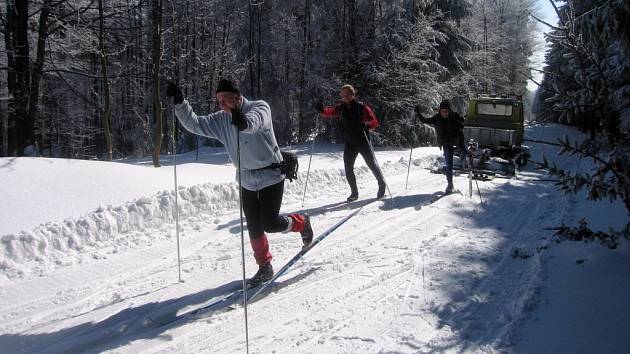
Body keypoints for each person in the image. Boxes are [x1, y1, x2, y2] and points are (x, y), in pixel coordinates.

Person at [166, 79, 313, 288]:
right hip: (245, 179)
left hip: (270, 176)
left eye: (225, 99)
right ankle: (265, 267)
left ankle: (302, 223)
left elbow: (252, 124)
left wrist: (238, 118)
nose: (221, 104)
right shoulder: (221, 119)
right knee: (254, 226)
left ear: (237, 96)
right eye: (218, 100)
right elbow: (195, 124)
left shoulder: (259, 107)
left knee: (269, 224)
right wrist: (181, 103)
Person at [316, 84, 386, 202]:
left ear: (353, 95)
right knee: (348, 168)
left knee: (371, 164)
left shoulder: (361, 107)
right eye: (343, 95)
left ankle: (381, 184)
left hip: (363, 141)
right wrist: (322, 110)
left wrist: (366, 125)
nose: (346, 97)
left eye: (348, 95)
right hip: (350, 142)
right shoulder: (341, 108)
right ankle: (354, 193)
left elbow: (375, 122)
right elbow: (330, 112)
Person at [415, 100, 467, 194]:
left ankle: (463, 161)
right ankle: (450, 184)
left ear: (449, 110)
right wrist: (418, 113)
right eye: (443, 111)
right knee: (449, 165)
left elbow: (463, 124)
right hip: (446, 142)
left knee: (465, 152)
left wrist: (462, 121)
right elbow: (425, 120)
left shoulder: (454, 116)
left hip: (458, 140)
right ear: (440, 111)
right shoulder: (437, 118)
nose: (445, 113)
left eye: (446, 111)